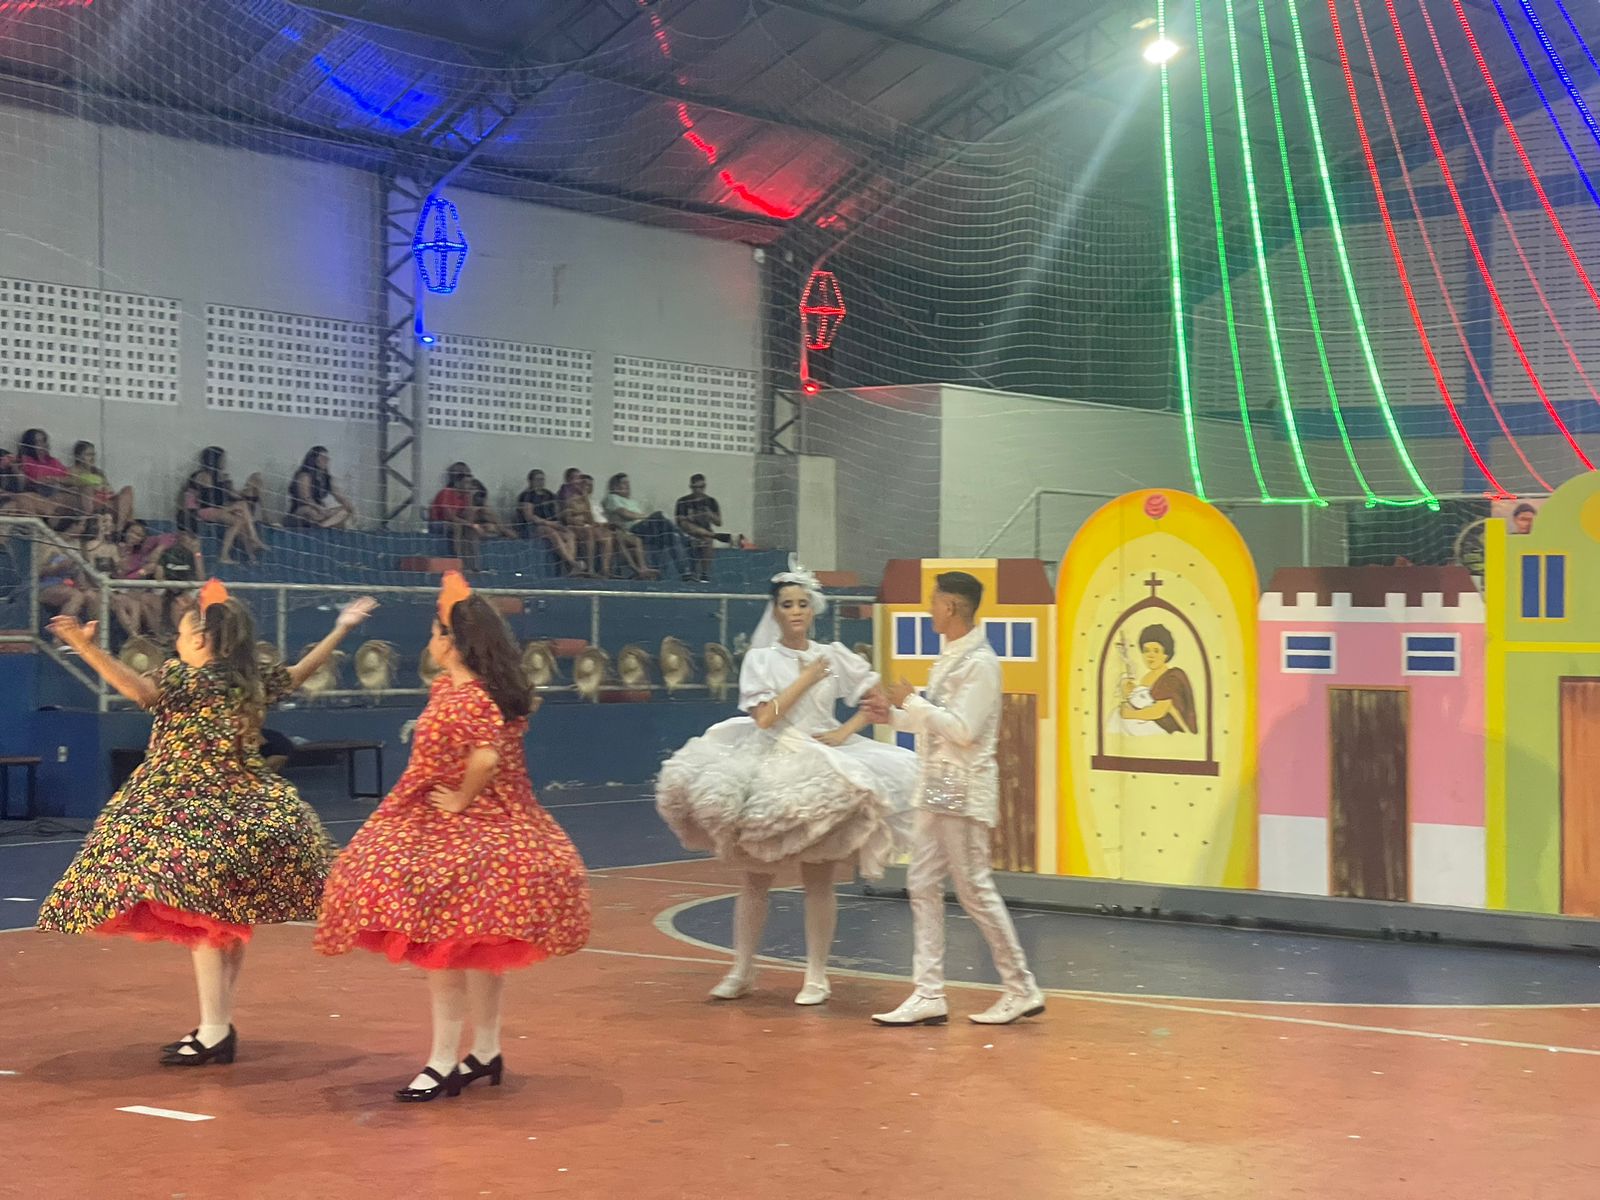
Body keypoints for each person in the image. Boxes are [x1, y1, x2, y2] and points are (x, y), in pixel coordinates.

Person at [36, 582, 376, 1064]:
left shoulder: (183, 677)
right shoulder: (250, 678)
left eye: (180, 633)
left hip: (190, 806)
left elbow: (139, 691)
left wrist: (84, 645)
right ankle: (217, 1024)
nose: (177, 642)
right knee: (223, 920)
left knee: (202, 918)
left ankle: (215, 1031)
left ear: (200, 639)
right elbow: (299, 673)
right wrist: (340, 629)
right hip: (251, 807)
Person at [316, 574, 591, 1102]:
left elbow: (485, 759)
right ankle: (484, 1051)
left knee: (442, 943)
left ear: (455, 642)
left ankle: (443, 1060)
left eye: (435, 632)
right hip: (495, 824)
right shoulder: (461, 689)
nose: (430, 641)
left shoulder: (469, 697)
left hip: (471, 828)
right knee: (478, 945)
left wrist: (462, 799)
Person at [656, 557, 916, 1005]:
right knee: (755, 877)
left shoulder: (834, 654)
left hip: (821, 761)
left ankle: (816, 976)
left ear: (813, 609)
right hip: (770, 757)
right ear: (775, 611)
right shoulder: (761, 660)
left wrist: (844, 732)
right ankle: (742, 969)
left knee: (819, 876)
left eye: (802, 604)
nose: (796, 611)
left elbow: (876, 702)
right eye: (787, 605)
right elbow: (764, 718)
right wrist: (808, 677)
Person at [871, 571, 1045, 1028]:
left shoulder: (981, 663)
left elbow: (964, 731)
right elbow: (938, 725)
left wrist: (913, 703)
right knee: (922, 881)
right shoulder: (953, 657)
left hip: (963, 787)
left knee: (973, 888)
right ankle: (928, 992)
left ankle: (1021, 987)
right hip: (938, 785)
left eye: (934, 601)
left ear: (950, 607)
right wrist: (893, 714)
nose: (929, 609)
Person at [182, 446, 266, 564]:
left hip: (216, 509)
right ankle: (251, 541)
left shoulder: (219, 476)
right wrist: (229, 503)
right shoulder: (202, 475)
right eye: (222, 459)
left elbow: (233, 496)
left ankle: (249, 555)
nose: (224, 463)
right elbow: (208, 501)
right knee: (240, 510)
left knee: (240, 517)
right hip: (203, 511)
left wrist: (249, 489)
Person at [1109, 624, 1195, 737]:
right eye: (1146, 651)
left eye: (1156, 651)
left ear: (1166, 654)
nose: (1150, 655)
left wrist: (1129, 714)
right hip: (1145, 722)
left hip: (1165, 730)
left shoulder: (1172, 677)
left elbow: (1159, 711)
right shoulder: (1146, 677)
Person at [603, 473, 693, 581]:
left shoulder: (633, 502)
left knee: (673, 536)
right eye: (624, 483)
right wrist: (646, 516)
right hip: (633, 529)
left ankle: (685, 573)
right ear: (615, 486)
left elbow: (637, 515)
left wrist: (644, 517)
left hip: (646, 528)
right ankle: (684, 537)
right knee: (658, 515)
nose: (627, 486)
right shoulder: (612, 498)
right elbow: (625, 514)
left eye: (628, 483)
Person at [516, 469, 585, 576]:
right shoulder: (526, 496)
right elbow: (529, 517)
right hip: (532, 527)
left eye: (542, 479)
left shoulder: (549, 494)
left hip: (551, 524)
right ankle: (572, 563)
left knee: (569, 534)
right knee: (553, 533)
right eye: (538, 479)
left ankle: (571, 567)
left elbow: (556, 512)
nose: (540, 482)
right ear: (530, 481)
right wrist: (548, 523)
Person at [675, 474, 743, 582]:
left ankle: (704, 573)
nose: (698, 490)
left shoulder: (711, 501)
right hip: (688, 533)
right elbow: (680, 523)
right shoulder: (683, 501)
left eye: (701, 487)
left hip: (705, 533)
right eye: (695, 487)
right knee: (688, 526)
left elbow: (718, 522)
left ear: (705, 486)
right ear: (691, 487)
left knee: (707, 540)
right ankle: (715, 536)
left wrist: (709, 514)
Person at [429, 462, 484, 572]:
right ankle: (458, 560)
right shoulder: (446, 492)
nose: (469, 486)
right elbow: (449, 516)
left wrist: (469, 499)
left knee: (471, 531)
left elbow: (469, 519)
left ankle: (474, 564)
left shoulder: (465, 496)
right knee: (457, 526)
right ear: (457, 483)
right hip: (438, 523)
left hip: (455, 522)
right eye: (466, 483)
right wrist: (471, 524)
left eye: (470, 483)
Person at [287, 446, 357, 529]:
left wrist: (351, 508)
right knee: (311, 512)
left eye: (327, 459)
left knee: (345, 511)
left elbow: (339, 496)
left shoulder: (326, 478)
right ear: (314, 459)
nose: (326, 461)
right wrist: (319, 508)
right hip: (302, 510)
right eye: (323, 458)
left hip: (320, 511)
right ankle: (324, 524)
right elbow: (305, 499)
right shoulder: (305, 475)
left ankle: (322, 526)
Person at [561, 474, 616, 579]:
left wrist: (585, 501)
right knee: (589, 532)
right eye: (584, 485)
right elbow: (567, 519)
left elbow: (589, 518)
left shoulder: (586, 500)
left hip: (586, 526)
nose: (586, 488)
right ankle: (590, 569)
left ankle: (605, 569)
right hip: (573, 527)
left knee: (607, 536)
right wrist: (579, 519)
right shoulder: (569, 498)